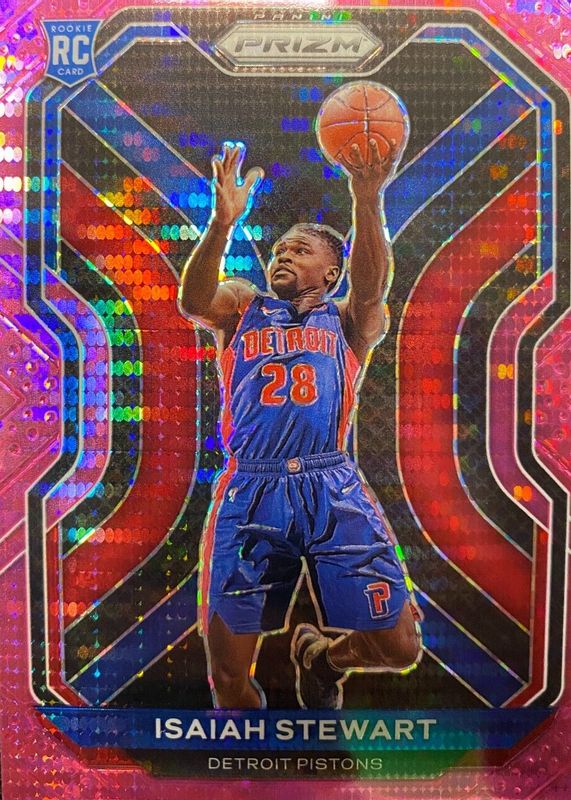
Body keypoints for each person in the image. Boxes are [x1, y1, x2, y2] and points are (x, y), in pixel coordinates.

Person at [179, 140, 422, 710]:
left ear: (331, 272)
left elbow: (372, 287)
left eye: (300, 249)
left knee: (399, 647)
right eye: (279, 249)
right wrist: (221, 223)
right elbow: (193, 300)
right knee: (228, 678)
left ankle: (323, 659)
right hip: (251, 488)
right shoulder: (243, 305)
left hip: (330, 484)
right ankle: (253, 761)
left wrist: (366, 196)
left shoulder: (349, 320)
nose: (283, 255)